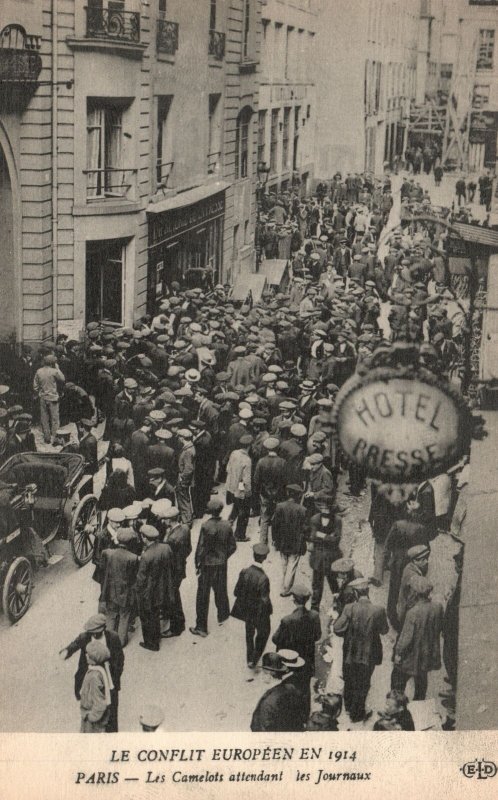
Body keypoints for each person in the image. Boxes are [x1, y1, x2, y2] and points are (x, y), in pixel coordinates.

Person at [334, 578, 389, 723]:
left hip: (350, 652)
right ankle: (357, 713)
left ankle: (348, 707)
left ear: (356, 593)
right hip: (369, 654)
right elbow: (384, 630)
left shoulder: (349, 608)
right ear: (368, 591)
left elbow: (337, 628)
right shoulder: (379, 610)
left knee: (349, 679)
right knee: (364, 682)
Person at [60, 613, 124, 733]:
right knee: (93, 704)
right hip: (92, 675)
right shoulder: (85, 637)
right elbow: (75, 644)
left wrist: (115, 675)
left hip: (109, 678)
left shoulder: (113, 637)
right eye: (92, 632)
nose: (94, 634)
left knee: (112, 710)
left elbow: (120, 659)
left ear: (103, 629)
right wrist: (67, 651)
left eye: (96, 632)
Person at [391, 575, 443, 701]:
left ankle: (397, 705)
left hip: (411, 656)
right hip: (427, 654)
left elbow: (405, 639)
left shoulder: (413, 612)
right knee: (421, 682)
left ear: (415, 593)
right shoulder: (437, 607)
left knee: (397, 681)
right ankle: (418, 708)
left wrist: (398, 653)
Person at [190, 498, 236, 637]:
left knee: (202, 596)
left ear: (209, 512)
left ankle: (201, 627)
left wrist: (198, 563)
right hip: (221, 565)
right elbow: (233, 546)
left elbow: (201, 547)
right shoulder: (227, 525)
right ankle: (223, 617)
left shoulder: (205, 526)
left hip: (207, 565)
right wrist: (223, 557)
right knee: (221, 591)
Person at [231, 543, 272, 669]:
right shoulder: (263, 578)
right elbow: (265, 600)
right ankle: (255, 659)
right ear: (264, 558)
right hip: (258, 612)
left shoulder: (244, 572)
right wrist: (268, 611)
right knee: (263, 633)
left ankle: (249, 658)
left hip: (246, 610)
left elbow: (236, 592)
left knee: (249, 634)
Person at [135, 524, 174, 652]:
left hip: (149, 592)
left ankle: (151, 643)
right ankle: (156, 637)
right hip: (162, 588)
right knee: (156, 614)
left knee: (147, 617)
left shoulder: (146, 556)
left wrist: (137, 591)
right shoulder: (166, 547)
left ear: (145, 538)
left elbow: (141, 579)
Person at [99, 528, 139, 647]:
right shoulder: (133, 558)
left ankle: (109, 640)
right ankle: (120, 642)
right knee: (124, 617)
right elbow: (134, 577)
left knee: (111, 615)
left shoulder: (108, 553)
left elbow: (102, 565)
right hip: (125, 593)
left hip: (111, 591)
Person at [250, 651, 308, 732]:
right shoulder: (291, 688)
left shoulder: (268, 701)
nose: (261, 675)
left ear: (268, 676)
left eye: (263, 672)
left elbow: (261, 727)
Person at [272, 584, 321, 677]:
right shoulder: (315, 616)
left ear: (293, 599)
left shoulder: (287, 620)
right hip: (307, 659)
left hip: (290, 660)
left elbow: (275, 639)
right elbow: (317, 636)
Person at [272, 484, 309, 596]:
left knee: (284, 563)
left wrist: (274, 539)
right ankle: (286, 589)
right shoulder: (302, 510)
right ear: (298, 495)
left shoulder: (279, 507)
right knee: (292, 566)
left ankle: (283, 584)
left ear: (288, 493)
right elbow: (305, 528)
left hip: (282, 541)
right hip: (296, 542)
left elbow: (274, 525)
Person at [308, 492, 342, 611]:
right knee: (317, 585)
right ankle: (314, 607)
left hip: (332, 557)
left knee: (333, 582)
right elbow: (312, 536)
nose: (325, 509)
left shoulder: (337, 520)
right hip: (318, 558)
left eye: (327, 507)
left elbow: (336, 540)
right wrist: (328, 536)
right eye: (322, 507)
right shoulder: (314, 519)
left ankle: (337, 603)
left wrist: (321, 535)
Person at [161, 505, 191, 637]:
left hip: (172, 571)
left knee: (173, 597)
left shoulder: (172, 539)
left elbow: (167, 556)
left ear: (169, 520)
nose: (163, 521)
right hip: (180, 567)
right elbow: (188, 549)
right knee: (174, 594)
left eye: (165, 519)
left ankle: (176, 627)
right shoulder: (185, 528)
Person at [253, 436, 286, 545]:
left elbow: (256, 480)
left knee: (264, 518)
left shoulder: (261, 462)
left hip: (265, 494)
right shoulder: (282, 462)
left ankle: (263, 541)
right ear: (277, 449)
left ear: (267, 449)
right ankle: (276, 541)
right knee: (278, 517)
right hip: (279, 495)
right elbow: (285, 480)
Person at [79, 639, 112, 733]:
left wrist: (91, 717)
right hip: (92, 716)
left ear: (94, 659)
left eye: (88, 655)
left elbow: (100, 703)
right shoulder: (100, 670)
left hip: (93, 721)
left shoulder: (94, 677)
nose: (86, 655)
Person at [33, 354, 65, 444]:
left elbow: (35, 387)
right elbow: (63, 379)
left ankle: (46, 438)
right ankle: (55, 438)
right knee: (55, 419)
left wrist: (40, 392)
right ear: (52, 363)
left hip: (43, 397)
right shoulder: (54, 371)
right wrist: (58, 368)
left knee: (44, 418)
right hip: (53, 398)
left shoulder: (38, 371)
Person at [226, 433, 253, 542]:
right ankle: (240, 535)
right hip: (240, 486)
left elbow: (228, 468)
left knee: (236, 506)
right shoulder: (247, 460)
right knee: (244, 511)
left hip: (231, 484)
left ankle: (229, 523)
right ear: (249, 446)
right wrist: (248, 492)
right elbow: (246, 480)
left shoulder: (234, 453)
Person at [176, 428, 196, 526]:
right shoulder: (190, 447)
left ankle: (187, 520)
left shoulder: (187, 451)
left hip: (183, 479)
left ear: (182, 438)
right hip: (185, 478)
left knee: (184, 499)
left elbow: (189, 469)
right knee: (185, 498)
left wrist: (182, 479)